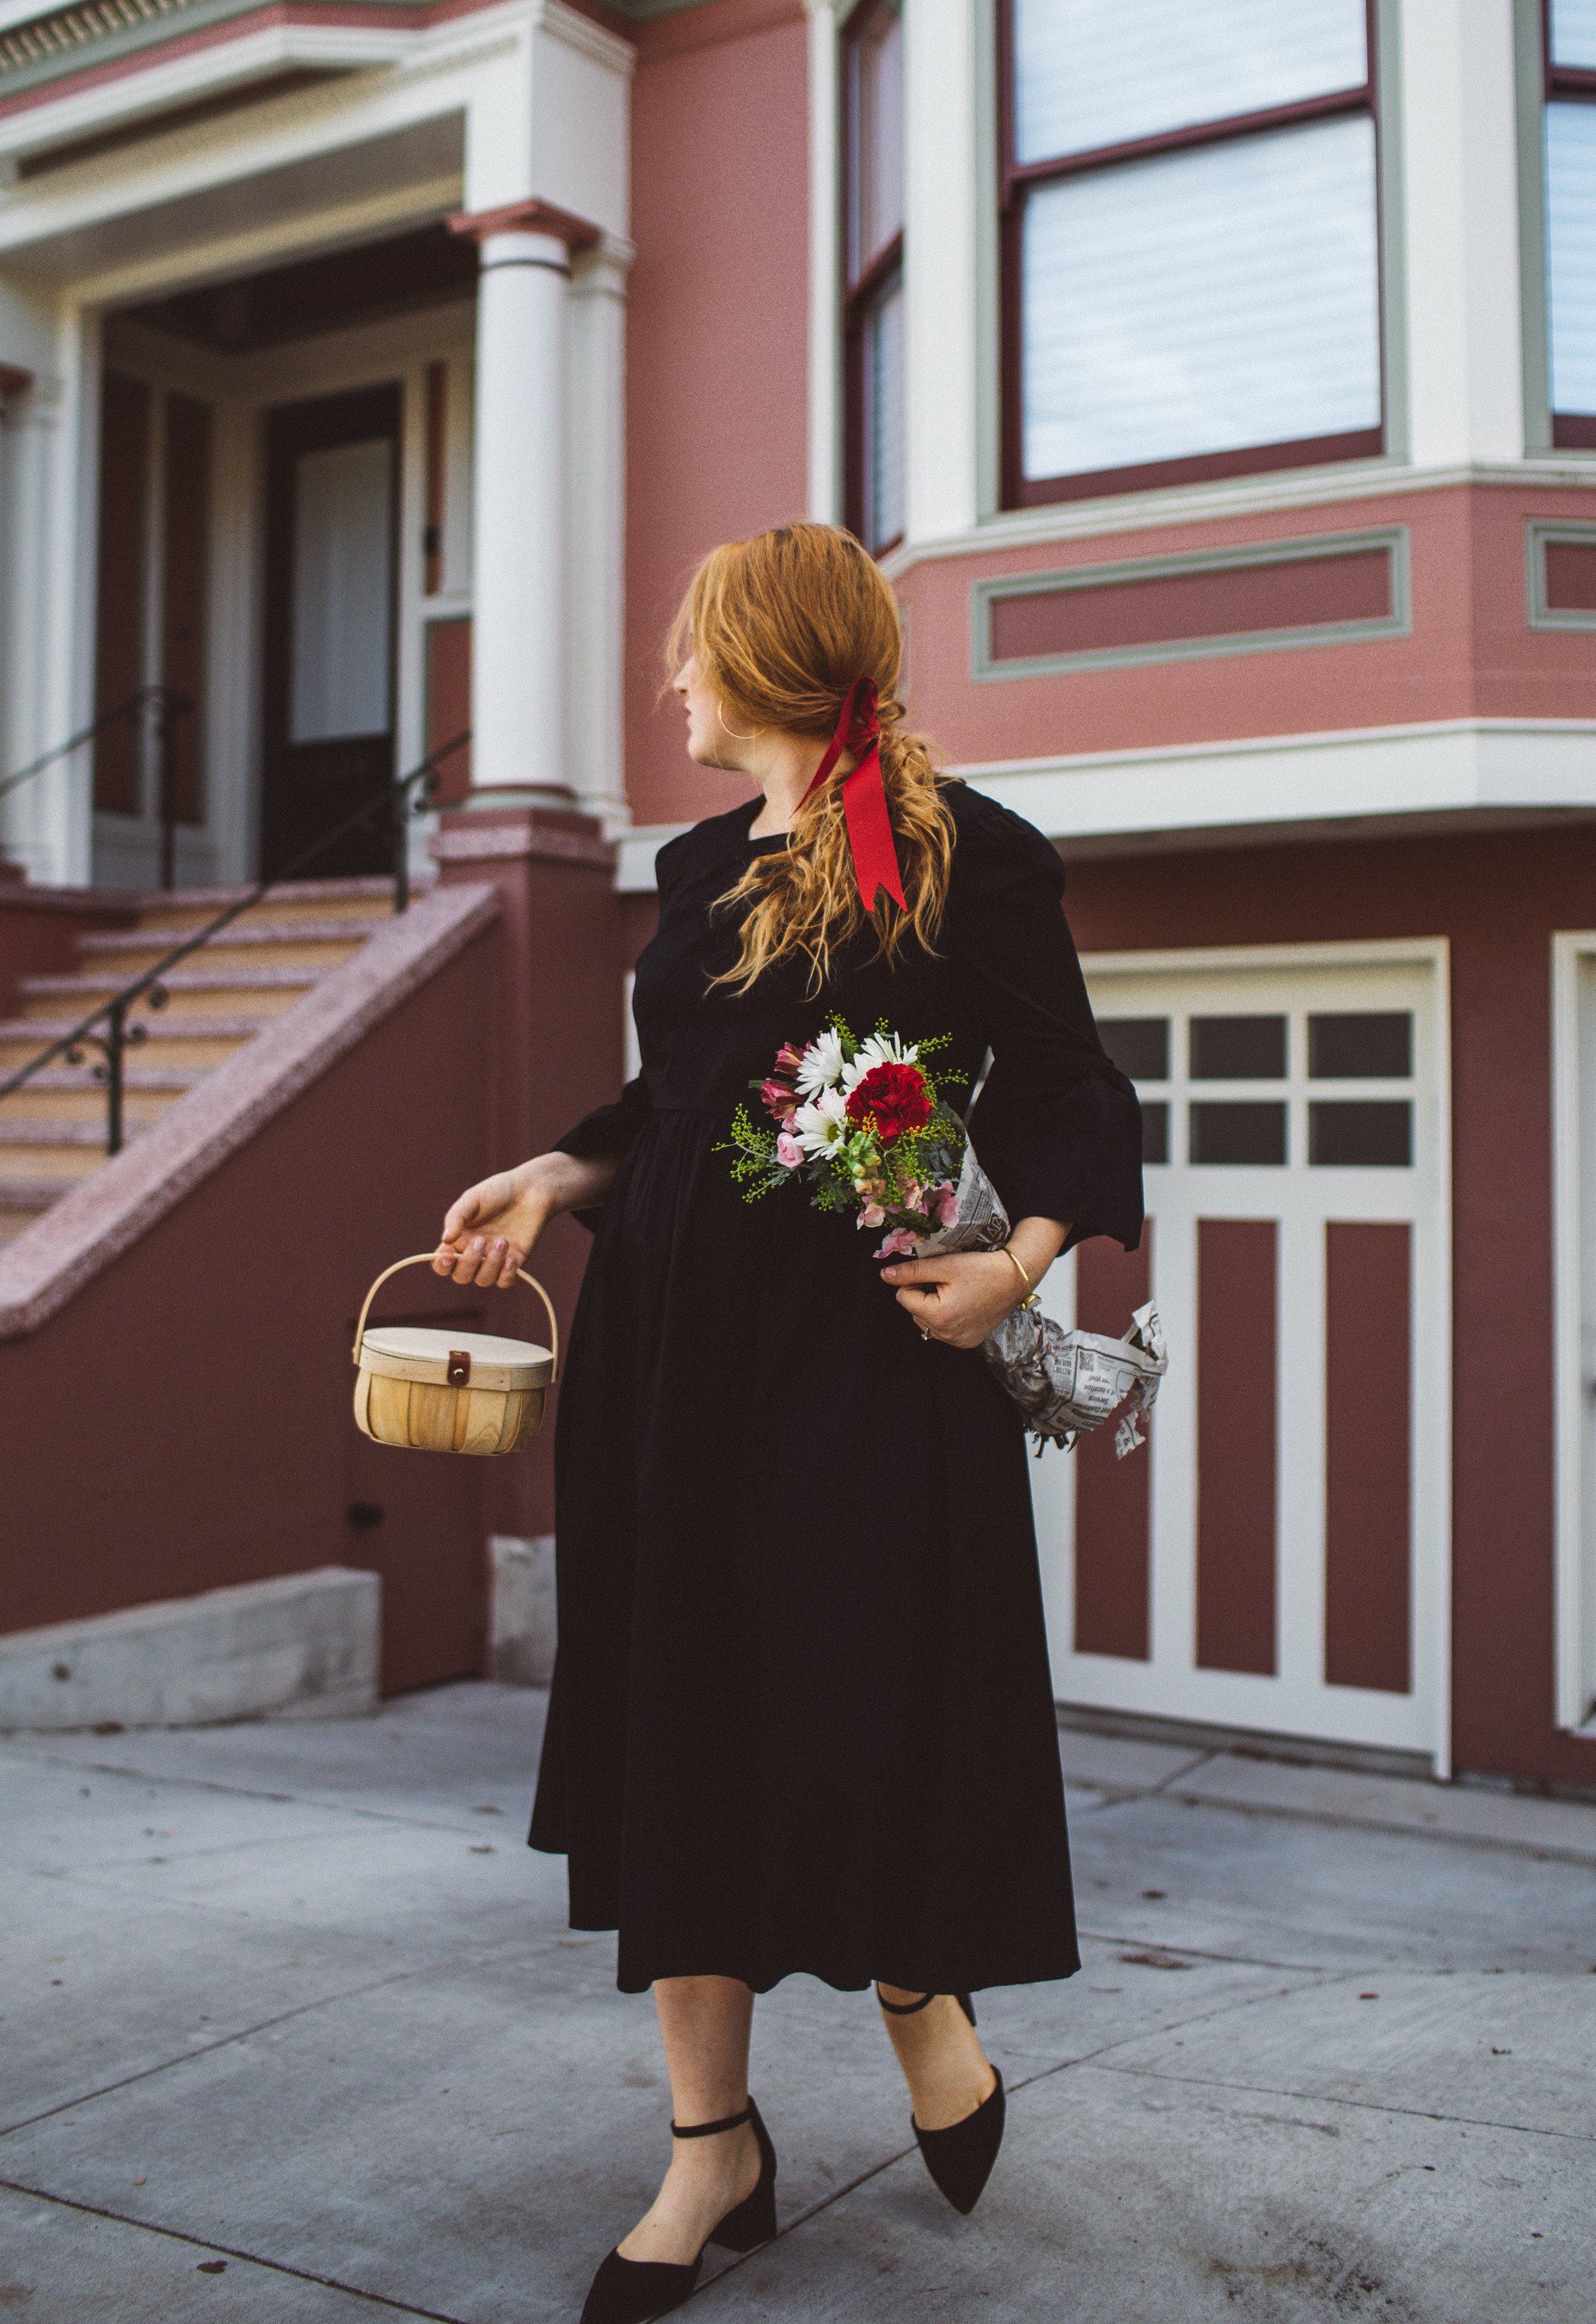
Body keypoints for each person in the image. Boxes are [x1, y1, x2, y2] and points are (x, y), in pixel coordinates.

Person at [433, 523, 1143, 2322]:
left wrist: (1024, 1265)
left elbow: (1068, 1088)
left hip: (867, 1365)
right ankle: (709, 2148)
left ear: (760, 661)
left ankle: (921, 1995)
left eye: (688, 652)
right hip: (671, 1357)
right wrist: (552, 1168)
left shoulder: (963, 855)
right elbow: (676, 1102)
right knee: (685, 1715)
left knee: (861, 1704)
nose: (668, 681)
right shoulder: (688, 864)